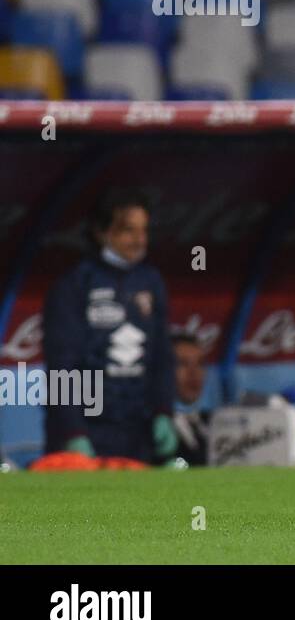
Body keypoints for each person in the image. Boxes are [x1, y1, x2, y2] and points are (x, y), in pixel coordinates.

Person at [43, 187, 177, 463]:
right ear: (101, 232)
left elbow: (163, 356)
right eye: (128, 230)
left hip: (138, 430)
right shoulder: (74, 285)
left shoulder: (151, 282)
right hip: (88, 429)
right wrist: (72, 430)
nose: (139, 240)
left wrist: (164, 411)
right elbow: (61, 365)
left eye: (144, 231)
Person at [171, 332, 210, 465]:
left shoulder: (211, 423)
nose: (193, 372)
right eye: (182, 363)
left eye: (200, 363)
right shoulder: (147, 431)